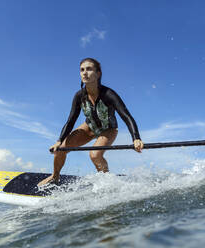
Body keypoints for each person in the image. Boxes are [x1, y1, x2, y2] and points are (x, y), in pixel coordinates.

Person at [38, 58, 144, 186]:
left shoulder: (109, 94)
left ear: (98, 73)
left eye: (89, 69)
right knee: (60, 150)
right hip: (89, 127)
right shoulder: (79, 96)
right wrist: (59, 140)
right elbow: (71, 120)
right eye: (82, 70)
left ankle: (107, 182)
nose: (84, 73)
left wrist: (136, 138)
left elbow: (126, 116)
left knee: (94, 155)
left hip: (108, 129)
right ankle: (55, 176)